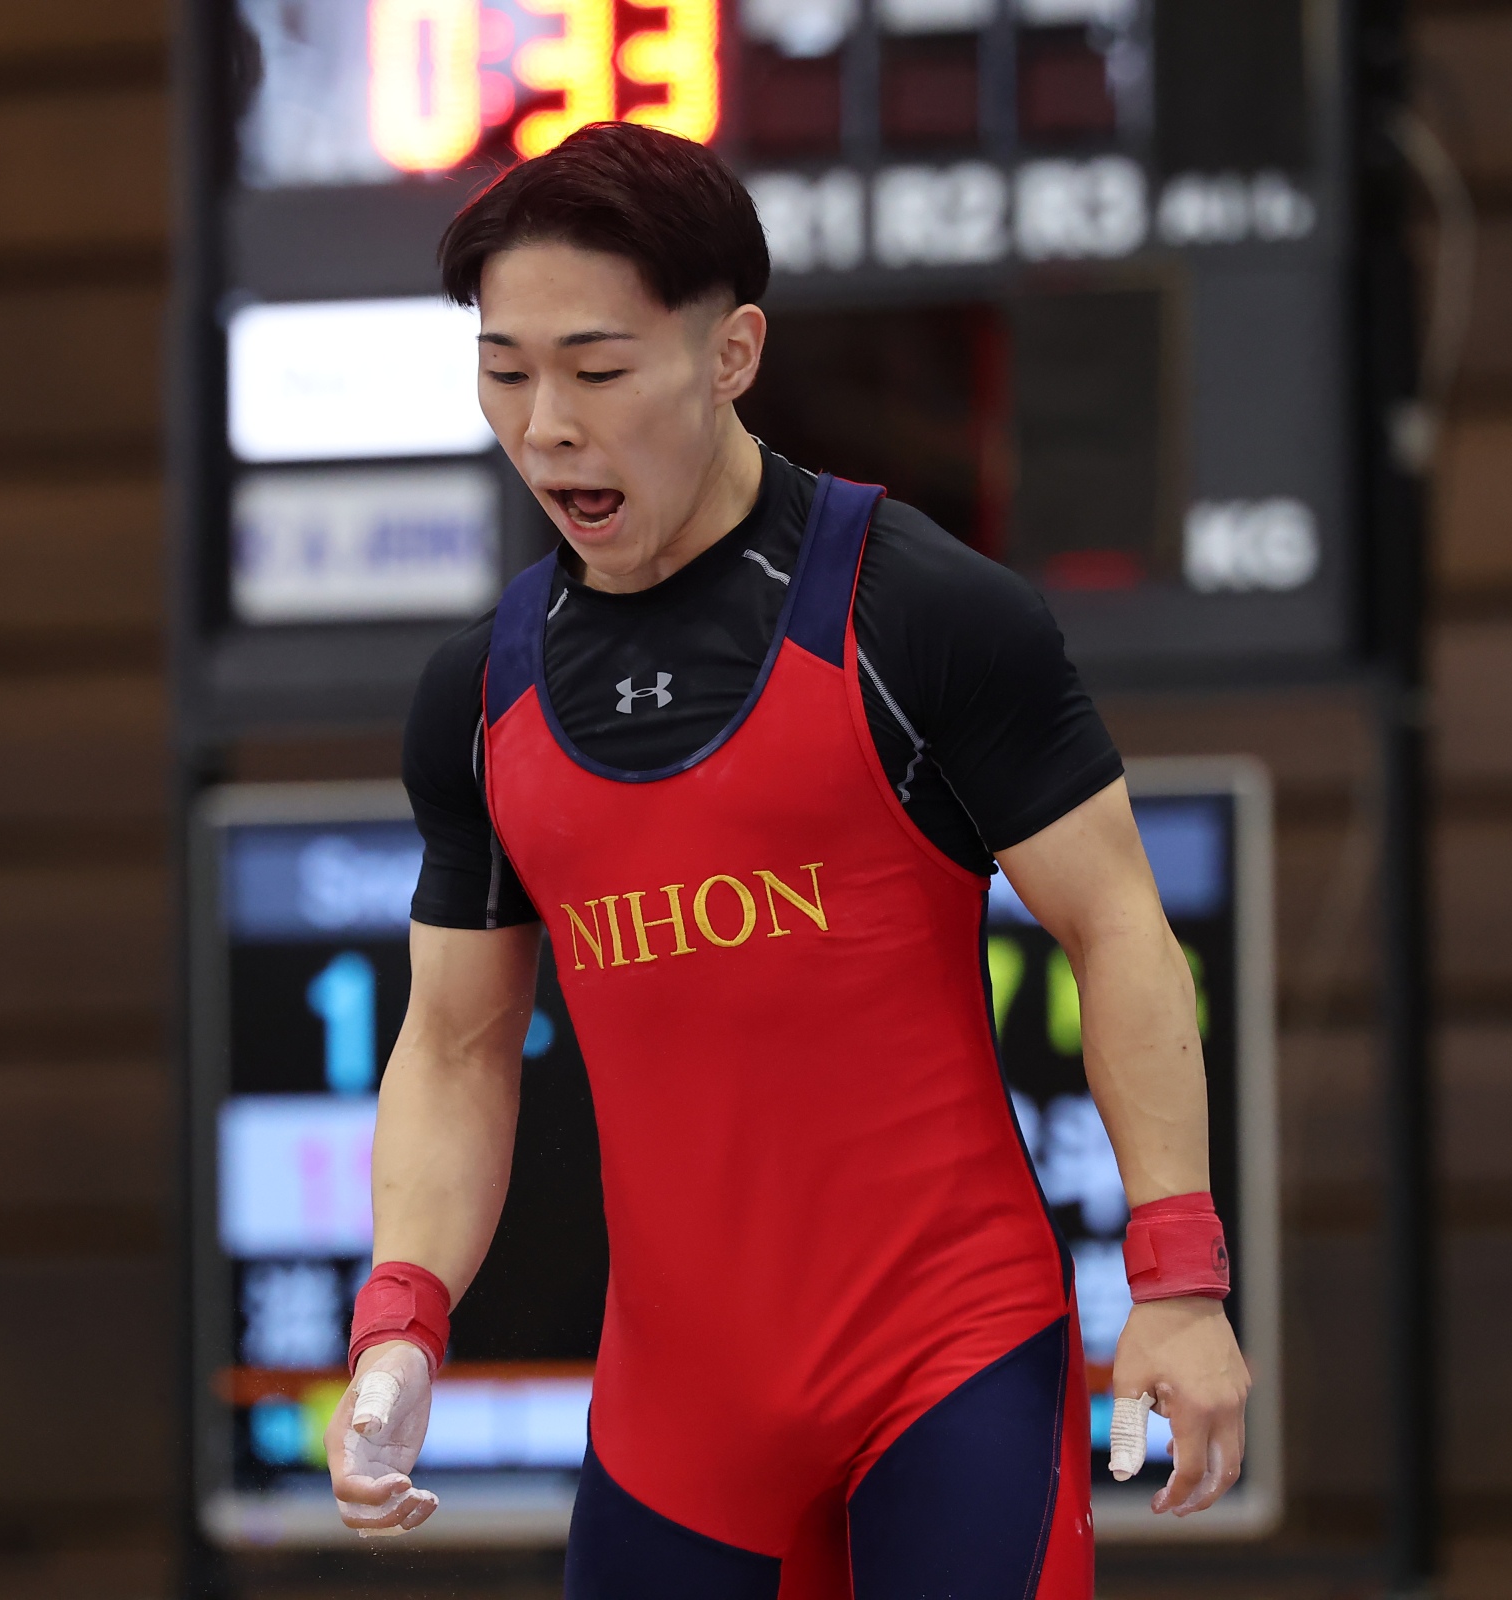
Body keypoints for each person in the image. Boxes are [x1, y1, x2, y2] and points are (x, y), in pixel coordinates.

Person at [326, 122, 1250, 1599]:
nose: (546, 427)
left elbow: (1120, 925)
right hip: (679, 1418)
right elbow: (454, 1044)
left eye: (597, 371)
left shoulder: (925, 611)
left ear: (733, 354)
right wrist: (399, 1322)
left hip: (950, 1366)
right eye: (505, 373)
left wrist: (1181, 1279)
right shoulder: (478, 700)